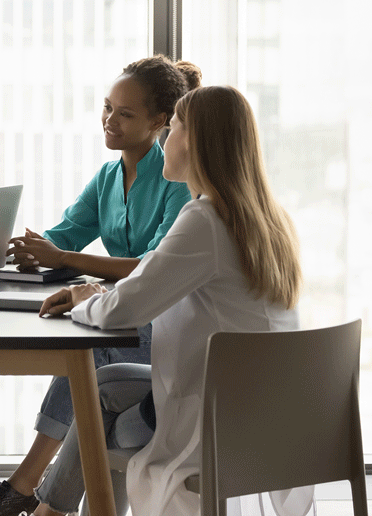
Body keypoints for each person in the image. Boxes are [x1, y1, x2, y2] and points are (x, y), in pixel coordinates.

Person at [30, 85, 306, 516]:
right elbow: (148, 286)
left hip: (215, 421)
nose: (164, 139)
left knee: (98, 421)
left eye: (172, 128)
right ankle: (48, 511)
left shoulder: (205, 219)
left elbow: (124, 309)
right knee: (100, 386)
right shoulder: (268, 217)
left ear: (195, 141)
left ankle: (46, 510)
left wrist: (86, 298)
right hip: (265, 411)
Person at [0, 55, 200, 516]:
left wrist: (64, 259)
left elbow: (151, 267)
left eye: (124, 114)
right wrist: (16, 248)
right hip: (127, 315)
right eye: (107, 107)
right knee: (88, 348)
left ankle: (25, 484)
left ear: (159, 122)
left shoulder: (176, 181)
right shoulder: (109, 176)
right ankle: (35, 492)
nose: (109, 120)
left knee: (90, 351)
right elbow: (65, 235)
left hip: (163, 329)